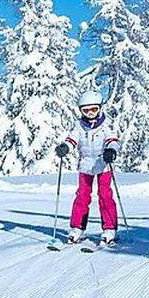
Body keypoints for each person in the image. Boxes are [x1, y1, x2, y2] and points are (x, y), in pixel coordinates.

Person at [55, 90, 121, 248]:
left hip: (103, 164)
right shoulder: (79, 126)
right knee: (82, 196)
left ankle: (109, 229)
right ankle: (77, 228)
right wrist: (65, 147)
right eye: (86, 110)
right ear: (81, 111)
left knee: (105, 195)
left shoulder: (105, 124)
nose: (90, 113)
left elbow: (113, 139)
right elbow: (72, 140)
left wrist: (111, 150)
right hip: (85, 165)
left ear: (100, 108)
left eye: (94, 110)